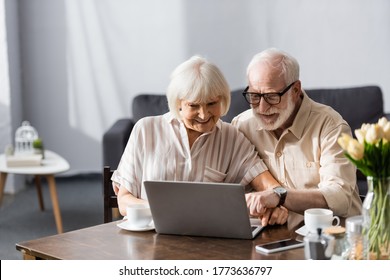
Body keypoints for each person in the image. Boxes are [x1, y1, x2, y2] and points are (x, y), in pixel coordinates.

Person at [111, 55, 288, 226]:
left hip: (204, 243)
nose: (204, 115)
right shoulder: (146, 130)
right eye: (193, 105)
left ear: (223, 100)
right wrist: (166, 210)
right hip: (148, 239)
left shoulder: (232, 138)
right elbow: (124, 202)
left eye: (212, 103)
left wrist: (277, 203)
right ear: (178, 103)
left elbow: (273, 188)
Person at [232, 48, 362, 219]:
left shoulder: (331, 126)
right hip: (274, 236)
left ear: (295, 90)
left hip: (333, 233)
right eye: (254, 96)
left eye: (272, 96)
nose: (262, 108)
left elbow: (339, 197)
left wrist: (279, 195)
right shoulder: (241, 125)